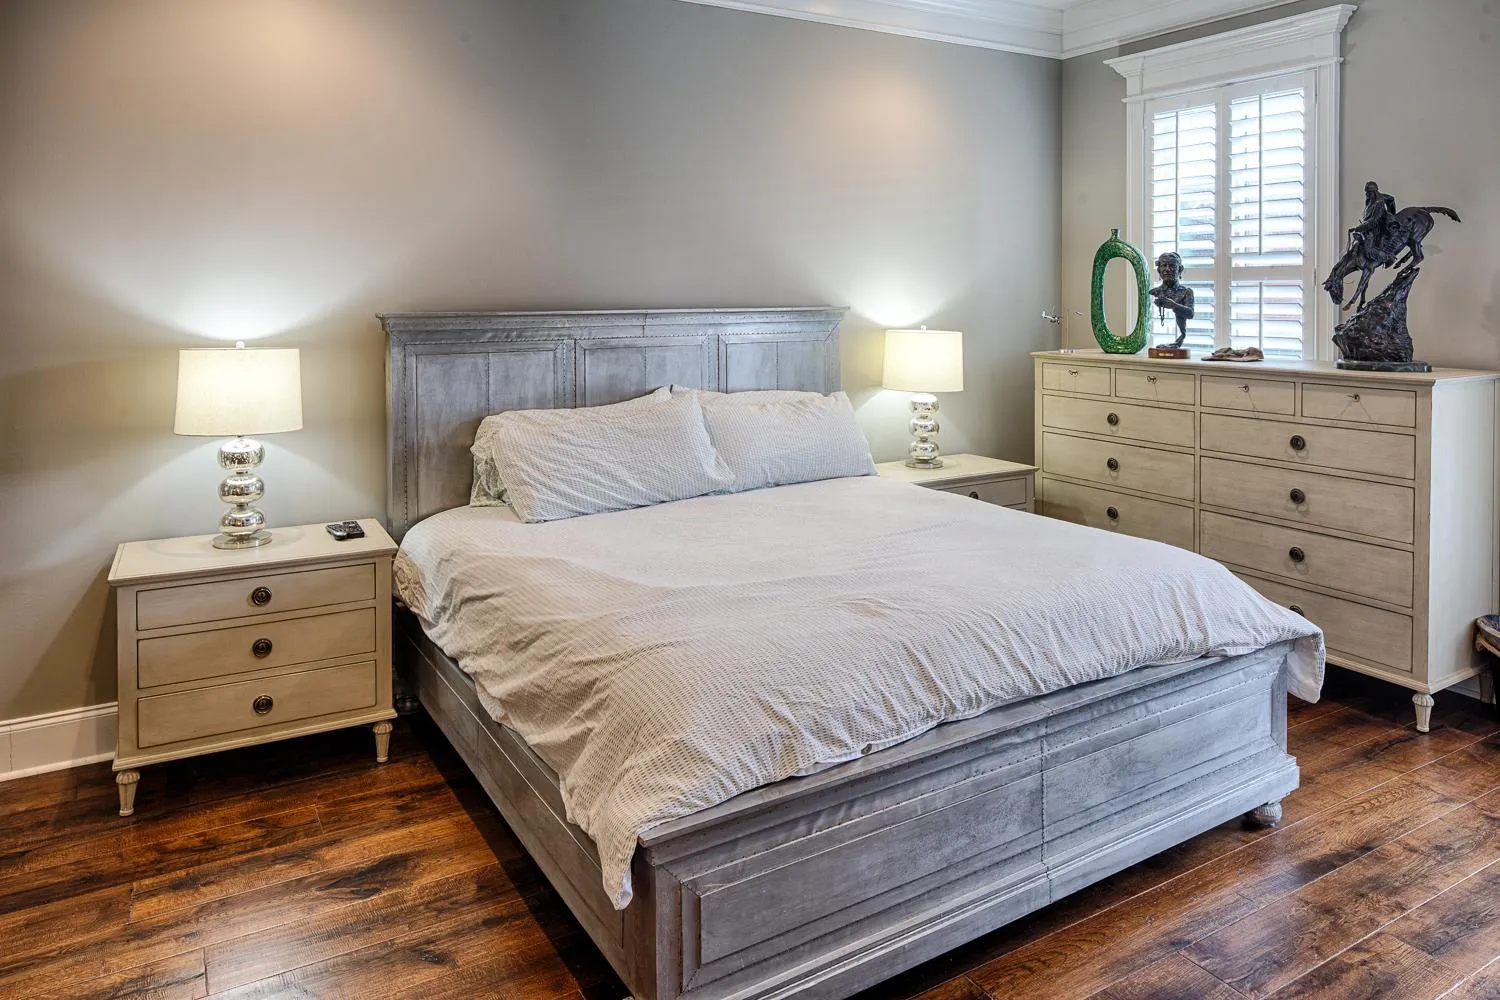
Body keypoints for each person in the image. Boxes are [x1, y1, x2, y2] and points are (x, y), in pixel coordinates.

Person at [1149, 251, 1195, 348]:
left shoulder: (1186, 292)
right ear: (1159, 270)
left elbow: (1190, 314)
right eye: (1163, 265)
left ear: (1180, 269)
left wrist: (1174, 305)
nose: (1167, 269)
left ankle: (1179, 340)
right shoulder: (1154, 292)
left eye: (1172, 265)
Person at [1349, 180, 1397, 250]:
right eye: (1366, 192)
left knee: (1369, 250)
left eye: (1368, 192)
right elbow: (1390, 198)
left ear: (1374, 192)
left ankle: (1388, 258)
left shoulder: (1379, 203)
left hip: (1376, 228)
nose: (1367, 194)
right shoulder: (1369, 200)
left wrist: (1357, 228)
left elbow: (1373, 221)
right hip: (1368, 225)